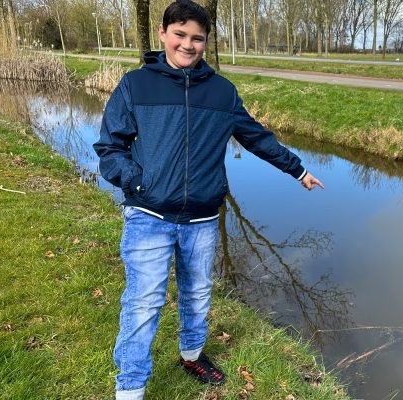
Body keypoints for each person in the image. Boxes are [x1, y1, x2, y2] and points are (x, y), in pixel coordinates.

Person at [92, 1, 323, 398]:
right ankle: (130, 388)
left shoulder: (222, 92)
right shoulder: (135, 84)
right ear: (163, 34)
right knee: (144, 304)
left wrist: (297, 169)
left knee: (197, 292)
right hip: (148, 215)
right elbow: (110, 148)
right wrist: (138, 183)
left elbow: (257, 138)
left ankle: (192, 353)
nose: (188, 44)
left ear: (205, 42)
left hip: (201, 218)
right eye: (180, 34)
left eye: (197, 38)